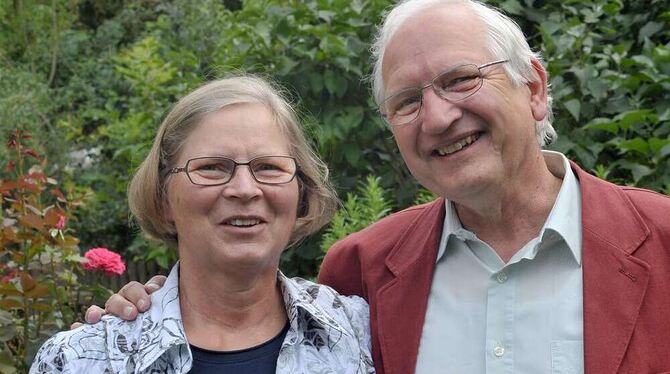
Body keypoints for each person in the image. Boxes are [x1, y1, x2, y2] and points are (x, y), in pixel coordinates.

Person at [83, 0, 670, 373]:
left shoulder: (661, 242)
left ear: (535, 88)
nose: (438, 118)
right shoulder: (363, 274)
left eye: (461, 80)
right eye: (408, 101)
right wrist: (155, 311)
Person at [31, 75, 375, 373]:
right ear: (164, 198)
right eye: (211, 167)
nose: (244, 189)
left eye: (269, 167)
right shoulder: (82, 361)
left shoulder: (361, 333)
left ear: (300, 192)